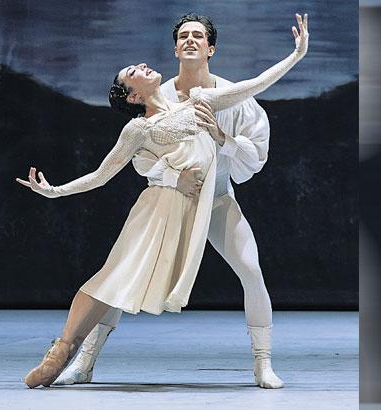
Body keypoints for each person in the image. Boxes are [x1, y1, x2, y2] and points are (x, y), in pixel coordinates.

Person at [17, 13, 309, 389]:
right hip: (169, 205)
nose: (190, 40)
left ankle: (262, 362)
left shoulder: (207, 99)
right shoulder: (143, 120)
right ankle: (80, 359)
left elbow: (254, 94)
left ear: (211, 48)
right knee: (122, 277)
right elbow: (124, 168)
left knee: (251, 270)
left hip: (216, 200)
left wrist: (295, 56)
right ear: (173, 50)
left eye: (198, 35)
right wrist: (56, 190)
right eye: (183, 35)